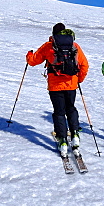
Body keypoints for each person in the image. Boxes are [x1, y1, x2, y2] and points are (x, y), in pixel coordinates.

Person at [26, 23, 90, 158]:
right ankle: (75, 135)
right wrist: (79, 80)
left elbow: (33, 61)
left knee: (59, 111)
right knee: (71, 108)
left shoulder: (49, 46)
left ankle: (63, 141)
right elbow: (84, 65)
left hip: (55, 86)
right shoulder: (74, 46)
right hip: (71, 85)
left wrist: (29, 54)